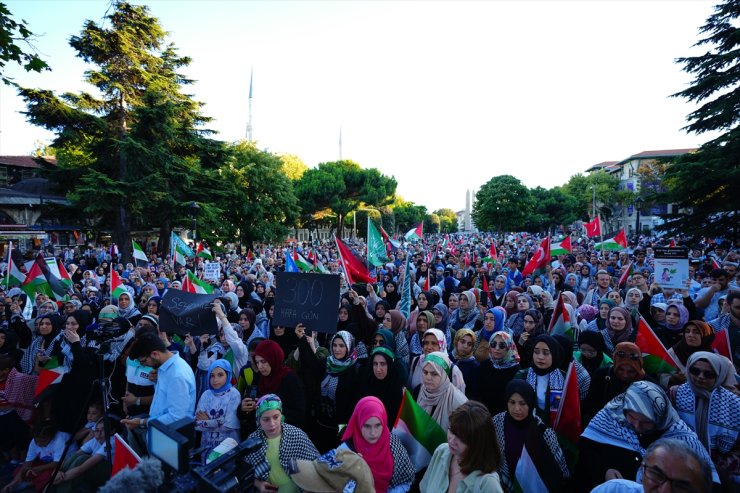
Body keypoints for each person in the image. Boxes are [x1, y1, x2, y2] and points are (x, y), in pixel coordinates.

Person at [578, 380, 718, 491]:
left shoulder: (682, 437)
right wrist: (603, 470)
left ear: (660, 418)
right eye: (631, 417)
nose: (637, 426)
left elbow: (707, 482)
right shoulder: (612, 415)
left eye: (646, 422)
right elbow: (587, 449)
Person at [672, 351, 740, 488]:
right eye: (695, 371)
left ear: (719, 375)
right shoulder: (675, 394)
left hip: (721, 474)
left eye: (709, 374)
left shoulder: (735, 404)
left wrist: (714, 468)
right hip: (680, 465)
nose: (700, 377)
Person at [122, 332, 196, 452]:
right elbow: (162, 400)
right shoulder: (163, 368)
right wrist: (156, 382)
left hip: (171, 441)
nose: (145, 365)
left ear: (155, 354)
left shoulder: (177, 375)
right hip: (160, 434)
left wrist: (142, 422)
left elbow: (177, 416)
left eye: (143, 361)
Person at [492, 380, 569, 493]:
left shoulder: (543, 432)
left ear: (531, 403)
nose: (517, 409)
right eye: (512, 402)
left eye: (522, 403)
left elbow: (562, 470)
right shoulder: (498, 422)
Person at [421, 401, 504, 493]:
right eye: (451, 431)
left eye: (461, 439)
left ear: (478, 443)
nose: (452, 440)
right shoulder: (441, 451)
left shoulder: (488, 483)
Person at [298, 329, 360, 452]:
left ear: (349, 347)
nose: (337, 349)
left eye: (341, 346)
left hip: (339, 431)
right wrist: (302, 339)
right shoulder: (326, 363)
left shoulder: (354, 371)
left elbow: (354, 402)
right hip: (320, 425)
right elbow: (310, 364)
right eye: (335, 345)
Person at [244, 394, 320, 493]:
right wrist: (259, 484)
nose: (272, 424)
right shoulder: (252, 441)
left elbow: (317, 466)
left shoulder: (296, 435)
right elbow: (245, 472)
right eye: (266, 419)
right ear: (258, 420)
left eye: (276, 417)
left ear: (281, 416)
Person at [340, 396, 415, 493]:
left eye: (378, 425)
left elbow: (406, 480)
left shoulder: (393, 444)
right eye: (367, 426)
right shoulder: (345, 451)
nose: (373, 433)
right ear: (358, 423)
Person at [590, 438, 714, 493]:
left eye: (681, 486)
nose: (664, 490)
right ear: (642, 470)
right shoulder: (614, 490)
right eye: (656, 475)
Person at [238, 339, 305, 435]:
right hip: (260, 434)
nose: (260, 366)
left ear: (273, 358)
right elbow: (249, 408)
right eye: (257, 362)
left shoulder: (290, 379)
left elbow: (299, 413)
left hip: (284, 435)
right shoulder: (258, 377)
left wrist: (271, 410)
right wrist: (243, 408)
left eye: (263, 361)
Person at [583, 342, 649, 424]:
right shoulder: (601, 375)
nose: (625, 375)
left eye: (631, 372)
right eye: (620, 370)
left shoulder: (648, 384)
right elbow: (589, 404)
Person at [194, 359, 241, 454]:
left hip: (228, 447)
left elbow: (229, 425)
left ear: (228, 375)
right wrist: (219, 421)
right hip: (207, 446)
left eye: (220, 375)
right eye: (212, 376)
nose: (215, 379)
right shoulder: (206, 394)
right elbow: (197, 424)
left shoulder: (234, 394)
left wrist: (207, 421)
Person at [515, 334, 564, 425]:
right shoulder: (522, 376)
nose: (540, 357)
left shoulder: (562, 379)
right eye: (536, 352)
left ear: (554, 354)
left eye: (546, 353)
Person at [414, 351, 468, 431]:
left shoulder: (459, 402)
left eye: (434, 374)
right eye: (425, 372)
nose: (428, 377)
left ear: (444, 375)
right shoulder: (418, 391)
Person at [356, 345, 406, 428]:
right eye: (375, 364)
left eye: (383, 364)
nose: (378, 369)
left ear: (390, 364)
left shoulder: (397, 389)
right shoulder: (366, 382)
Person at [474, 331, 521, 416]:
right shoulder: (485, 365)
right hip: (482, 415)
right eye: (493, 344)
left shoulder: (516, 371)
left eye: (502, 345)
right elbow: (477, 392)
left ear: (508, 347)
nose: (497, 348)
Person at [448, 329, 478, 398]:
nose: (465, 346)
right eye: (462, 342)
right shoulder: (448, 357)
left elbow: (472, 392)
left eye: (469, 344)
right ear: (456, 341)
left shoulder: (474, 365)